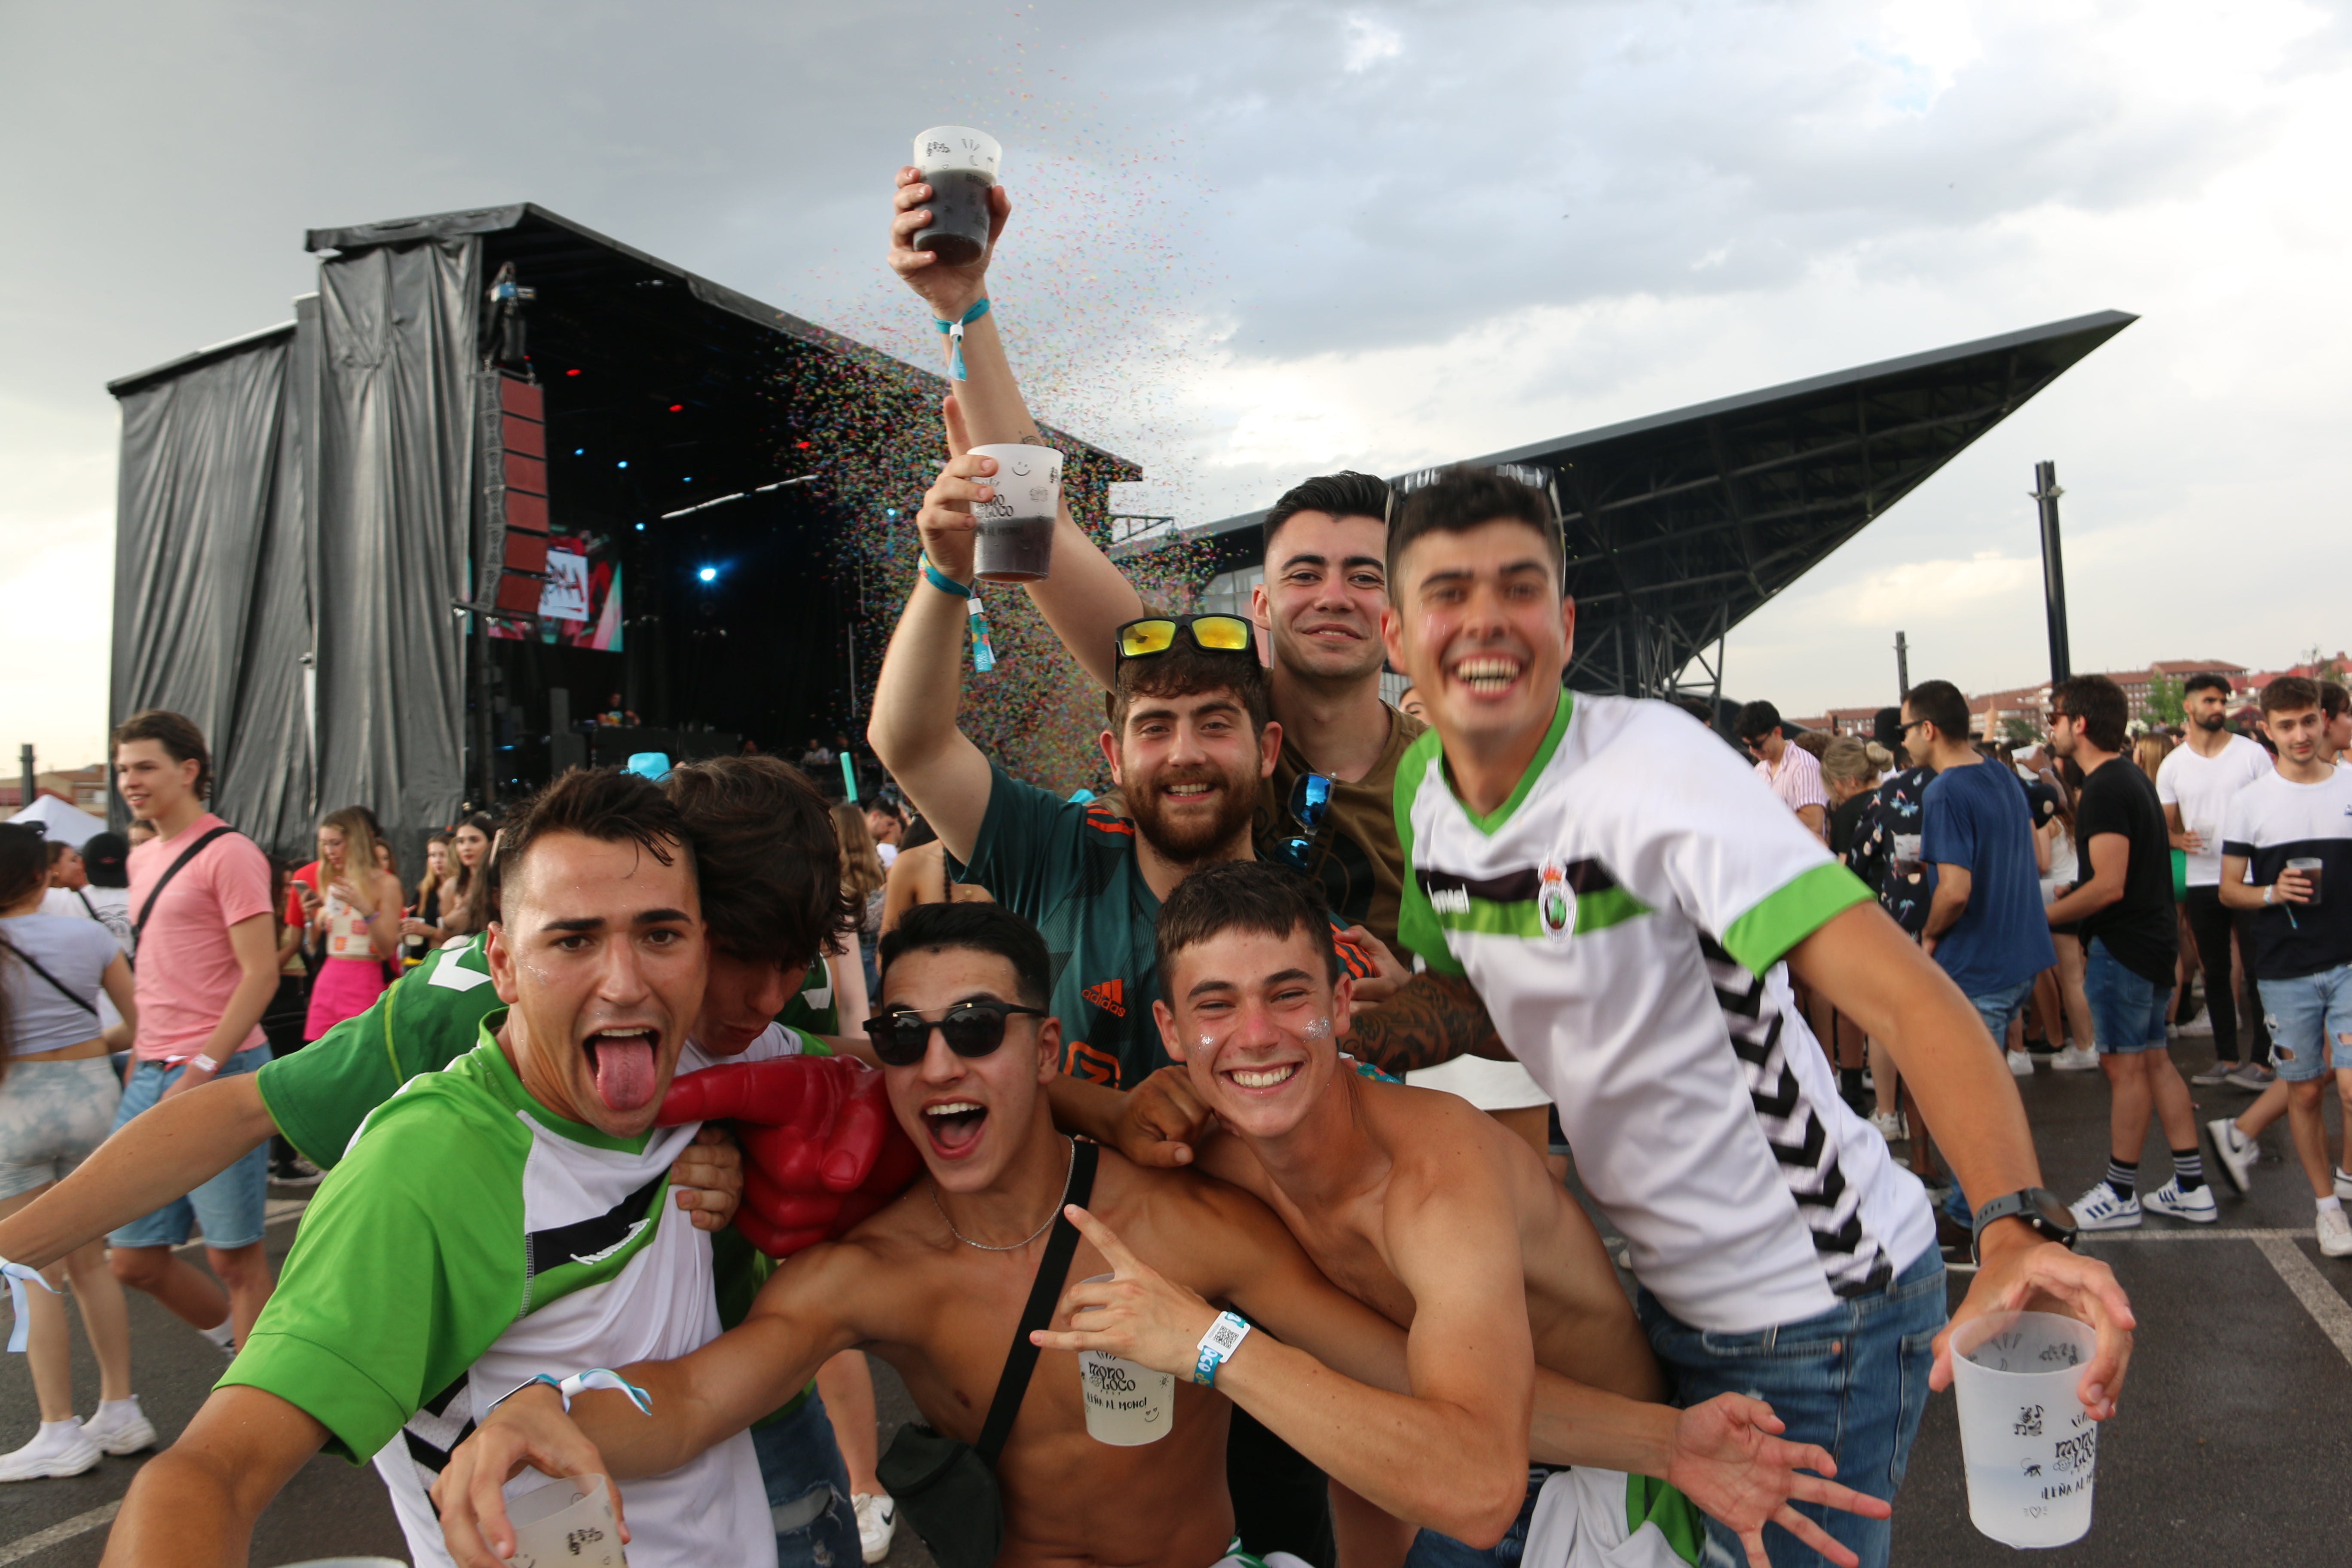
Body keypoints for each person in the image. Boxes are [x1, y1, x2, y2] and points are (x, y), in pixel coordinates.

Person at [435, 903, 1749, 1568]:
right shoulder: (873, 1271)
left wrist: (1663, 1442)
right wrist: (557, 1409)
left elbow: (1411, 1388)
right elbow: (695, 1398)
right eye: (903, 1036)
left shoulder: (1183, 1220)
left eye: (974, 1029)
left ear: (1043, 1050)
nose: (937, 1058)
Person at [1368, 467, 2133, 1568]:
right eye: (1447, 592)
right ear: (1399, 634)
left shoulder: (1653, 770)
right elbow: (1486, 1003)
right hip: (1659, 1295)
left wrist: (2012, 1222)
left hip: (1818, 1303)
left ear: (1563, 620)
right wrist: (1354, 1023)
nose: (1484, 619)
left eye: (1517, 586)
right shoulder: (1424, 798)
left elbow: (1906, 998)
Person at [7, 756, 876, 1568]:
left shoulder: (749, 1031)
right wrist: (16, 1242)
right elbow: (245, 1110)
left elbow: (851, 1069)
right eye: (738, 955)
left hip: (735, 1405)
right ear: (507, 961)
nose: (764, 997)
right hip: (558, 1479)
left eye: (663, 936)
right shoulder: (443, 1070)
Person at [1125, 861, 1892, 1568]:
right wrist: (1109, 1106)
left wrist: (1209, 1343)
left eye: (1288, 994)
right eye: (1215, 1005)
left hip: (1598, 1495)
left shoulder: (1434, 1178)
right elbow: (1403, 1373)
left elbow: (1480, 1487)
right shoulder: (1216, 1152)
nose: (1256, 1034)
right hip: (1488, 1445)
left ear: (1341, 1002)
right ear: (1169, 1031)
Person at [107, 709, 281, 1352]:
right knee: (134, 1258)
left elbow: (260, 973)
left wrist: (201, 1068)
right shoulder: (142, 857)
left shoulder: (229, 852)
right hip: (151, 1070)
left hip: (220, 1069)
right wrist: (139, 1063)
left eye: (145, 766)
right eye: (124, 768)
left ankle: (260, 1410)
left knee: (235, 1260)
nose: (131, 780)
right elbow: (157, 969)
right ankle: (254, 1356)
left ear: (189, 771)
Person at [0, 823, 153, 1478]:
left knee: (33, 1268)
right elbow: (141, 1021)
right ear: (43, 876)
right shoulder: (88, 935)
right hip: (92, 1095)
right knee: (92, 1262)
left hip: (17, 1103)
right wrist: (91, 1046)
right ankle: (122, 1409)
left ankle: (58, 1428)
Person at [2043, 676, 2206, 1228]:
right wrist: (2079, 892)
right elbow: (2119, 876)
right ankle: (2190, 1184)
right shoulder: (2130, 777)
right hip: (2151, 941)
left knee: (2126, 1068)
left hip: (2125, 947)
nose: (2052, 728)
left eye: (2054, 718)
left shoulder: (2106, 787)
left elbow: (2109, 885)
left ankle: (2119, 1193)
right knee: (2155, 1062)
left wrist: (2042, 915)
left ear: (2079, 723)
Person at [2201, 678, 2352, 1254]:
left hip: (2348, 963)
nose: (2301, 735)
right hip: (2285, 969)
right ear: (2267, 729)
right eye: (2287, 726)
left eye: (2309, 722)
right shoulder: (2251, 801)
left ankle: (2345, 1179)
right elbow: (2229, 892)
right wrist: (2272, 892)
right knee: (2306, 1093)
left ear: (2322, 719)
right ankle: (2327, 1207)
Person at [1907, 680, 2057, 1092]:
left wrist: (1930, 935)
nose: (1903, 741)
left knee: (1976, 1107)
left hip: (1977, 966)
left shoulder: (1945, 791)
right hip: (2021, 958)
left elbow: (1955, 891)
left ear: (1928, 729)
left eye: (1905, 730)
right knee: (1995, 1095)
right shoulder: (2000, 775)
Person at [2159, 674, 2276, 1089]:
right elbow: (2164, 828)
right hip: (2203, 877)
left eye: (2222, 700)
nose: (2218, 707)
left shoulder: (2252, 755)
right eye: (2209, 700)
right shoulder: (2173, 765)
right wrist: (2178, 839)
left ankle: (2264, 1060)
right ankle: (2227, 1057)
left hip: (2248, 875)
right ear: (2188, 708)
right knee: (2214, 972)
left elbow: (2273, 810)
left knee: (2259, 972)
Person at [300, 808, 405, 1044]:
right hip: (328, 980)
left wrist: (365, 909)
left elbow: (387, 950)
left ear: (355, 841)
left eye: (335, 843)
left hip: (364, 980)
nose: (328, 852)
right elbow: (313, 947)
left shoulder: (386, 883)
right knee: (318, 1060)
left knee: (361, 1056)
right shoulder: (331, 880)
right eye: (324, 844)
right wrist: (311, 919)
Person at [2036, 760, 2101, 1074]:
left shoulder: (2044, 822)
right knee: (2082, 977)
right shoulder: (2072, 815)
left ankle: (2086, 1046)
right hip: (2080, 891)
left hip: (2057, 896)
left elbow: (2041, 863)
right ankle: (2092, 1041)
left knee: (2070, 979)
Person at [1736, 702, 1828, 841]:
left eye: (1758, 744)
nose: (1752, 750)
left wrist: (1766, 819)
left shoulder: (1803, 766)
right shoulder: (1759, 771)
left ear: (1777, 733)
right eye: (1747, 745)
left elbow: (1814, 824)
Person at [438, 813, 497, 941]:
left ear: (490, 842)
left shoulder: (502, 882)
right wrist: (449, 921)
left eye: (474, 840)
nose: (466, 848)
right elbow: (444, 937)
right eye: (461, 842)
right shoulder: (452, 886)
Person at [400, 831, 453, 963]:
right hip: (423, 959)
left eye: (443, 855)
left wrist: (428, 931)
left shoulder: (461, 890)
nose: (437, 860)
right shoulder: (425, 890)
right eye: (432, 855)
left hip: (450, 957)